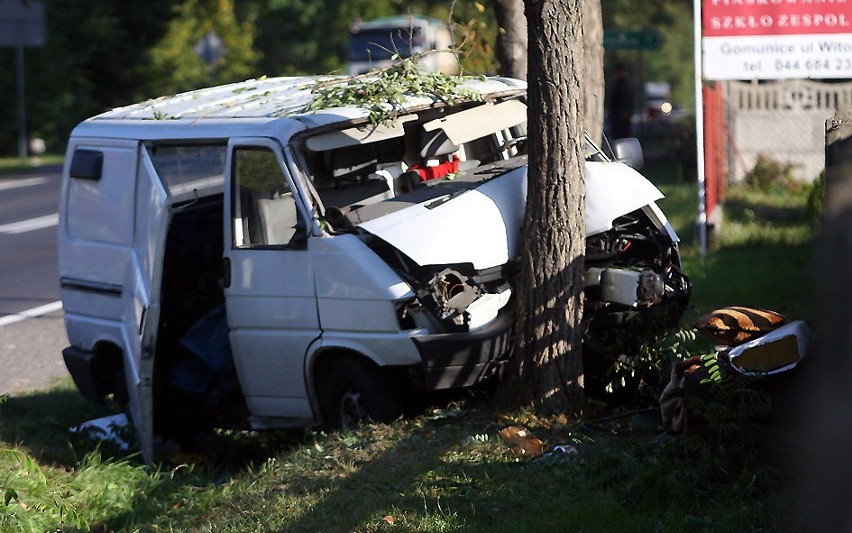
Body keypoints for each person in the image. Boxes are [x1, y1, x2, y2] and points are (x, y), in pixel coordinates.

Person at [607, 63, 635, 140]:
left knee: (624, 136)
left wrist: (628, 112)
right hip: (616, 115)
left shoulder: (627, 85)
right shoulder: (615, 84)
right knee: (616, 135)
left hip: (624, 115)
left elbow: (630, 99)